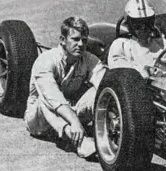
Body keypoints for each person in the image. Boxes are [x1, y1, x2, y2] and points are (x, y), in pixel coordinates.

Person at [24, 17, 106, 157]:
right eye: (75, 39)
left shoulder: (88, 59)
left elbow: (104, 81)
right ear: (62, 39)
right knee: (46, 98)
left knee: (102, 90)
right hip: (40, 121)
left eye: (84, 40)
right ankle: (80, 143)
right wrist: (75, 121)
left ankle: (110, 133)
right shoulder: (46, 60)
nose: (80, 44)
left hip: (71, 111)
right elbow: (53, 97)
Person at [108, 0, 166, 76]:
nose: (143, 28)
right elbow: (117, 66)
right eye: (138, 24)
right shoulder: (121, 45)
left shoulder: (161, 43)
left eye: (147, 23)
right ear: (129, 25)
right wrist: (144, 69)